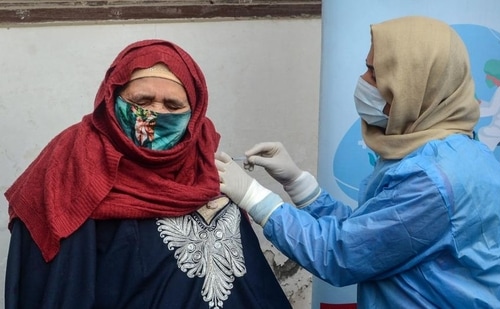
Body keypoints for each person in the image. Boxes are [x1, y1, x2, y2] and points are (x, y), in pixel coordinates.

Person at [215, 16, 500, 308]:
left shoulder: (433, 179)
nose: (363, 80)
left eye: (374, 72)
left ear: (413, 85)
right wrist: (299, 185)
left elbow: (340, 254)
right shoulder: (455, 151)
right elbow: (372, 234)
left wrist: (255, 198)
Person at [4, 39, 292, 309]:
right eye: (142, 101)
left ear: (194, 113)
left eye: (172, 106)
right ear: (112, 98)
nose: (154, 116)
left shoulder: (205, 163)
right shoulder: (75, 163)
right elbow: (56, 286)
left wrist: (295, 188)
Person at [477, 59, 500, 151]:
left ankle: (484, 156)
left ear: (496, 77)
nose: (486, 78)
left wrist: (474, 112)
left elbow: (492, 110)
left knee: (482, 132)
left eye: (488, 75)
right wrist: (480, 102)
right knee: (482, 132)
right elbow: (492, 105)